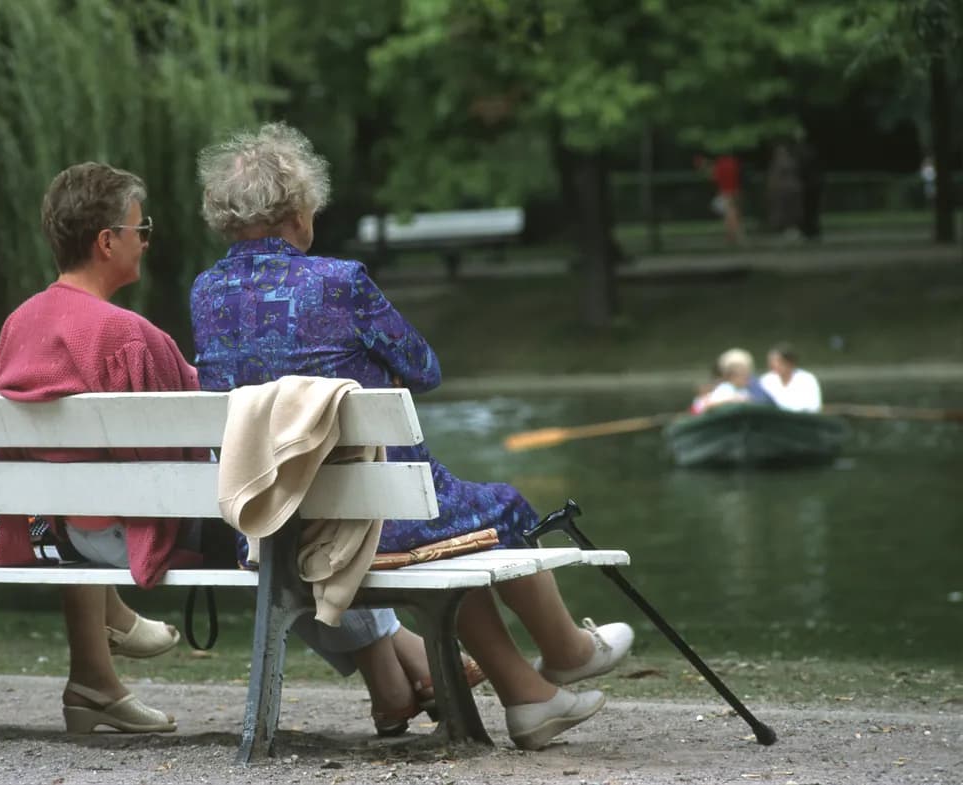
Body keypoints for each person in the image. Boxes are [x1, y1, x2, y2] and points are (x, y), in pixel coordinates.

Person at [190, 122, 634, 751]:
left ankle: (531, 700)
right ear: (296, 212)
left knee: (453, 538)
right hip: (376, 518)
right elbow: (424, 369)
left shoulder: (205, 293)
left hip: (274, 520)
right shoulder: (338, 281)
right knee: (500, 506)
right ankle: (567, 651)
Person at [0, 163, 194, 734]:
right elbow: (183, 445)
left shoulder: (17, 324)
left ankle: (98, 675)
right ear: (107, 242)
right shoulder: (126, 333)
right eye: (140, 228)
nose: (146, 240)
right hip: (124, 534)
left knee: (84, 482)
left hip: (62, 528)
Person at [702, 348, 775, 409]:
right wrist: (733, 400)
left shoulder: (753, 388)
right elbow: (708, 405)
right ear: (731, 376)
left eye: (746, 374)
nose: (746, 377)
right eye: (741, 374)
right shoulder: (724, 388)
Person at [760, 343, 822, 413]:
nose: (773, 365)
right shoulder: (766, 380)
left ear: (790, 362)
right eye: (771, 361)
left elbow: (813, 407)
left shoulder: (807, 380)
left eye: (778, 361)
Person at [698, 153, 744, 246]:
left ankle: (734, 237)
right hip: (734, 191)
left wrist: (704, 167)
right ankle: (734, 237)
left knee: (730, 215)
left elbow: (713, 177)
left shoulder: (720, 165)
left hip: (726, 192)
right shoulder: (733, 163)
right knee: (732, 214)